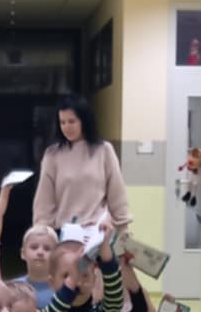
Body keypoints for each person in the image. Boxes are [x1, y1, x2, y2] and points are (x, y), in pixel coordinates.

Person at [31, 95, 131, 238]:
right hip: (64, 234)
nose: (67, 127)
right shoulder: (52, 155)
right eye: (62, 122)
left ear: (84, 120)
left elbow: (117, 193)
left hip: (98, 233)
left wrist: (124, 228)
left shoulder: (104, 150)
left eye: (72, 121)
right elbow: (44, 201)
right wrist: (41, 233)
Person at [21, 226, 60, 310]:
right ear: (23, 253)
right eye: (34, 247)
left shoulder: (62, 291)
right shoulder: (13, 288)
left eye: (47, 249)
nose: (40, 252)